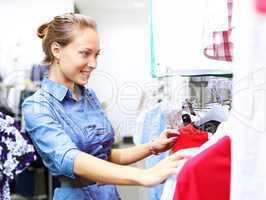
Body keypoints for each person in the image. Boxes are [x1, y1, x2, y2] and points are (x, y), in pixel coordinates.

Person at [22, 13, 185, 200]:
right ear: (57, 50)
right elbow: (72, 159)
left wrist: (152, 147)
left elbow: (104, 156)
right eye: (85, 53)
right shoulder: (37, 106)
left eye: (96, 55)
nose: (94, 64)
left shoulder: (88, 96)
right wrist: (144, 175)